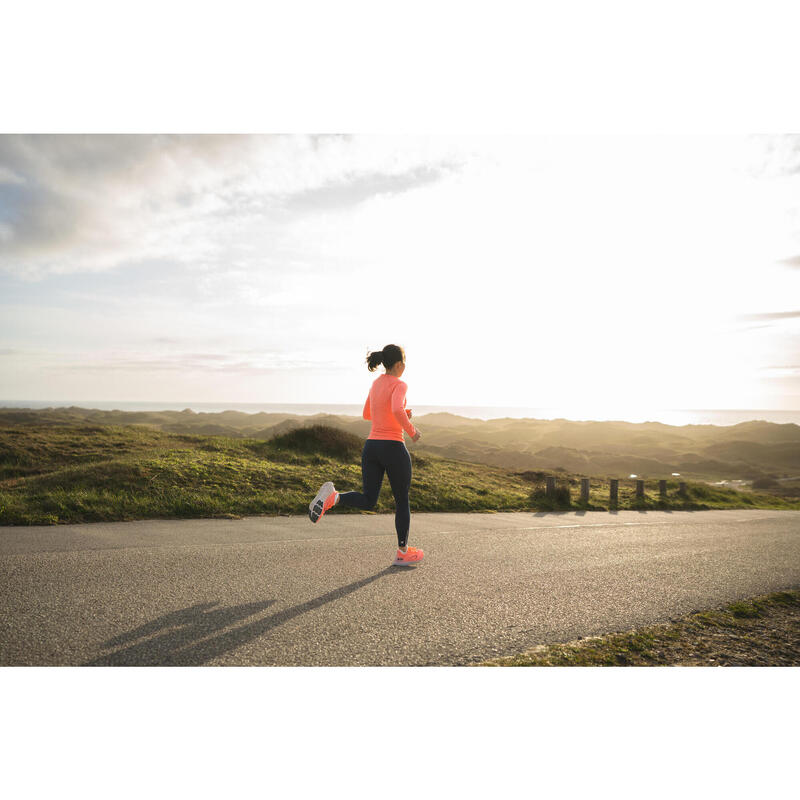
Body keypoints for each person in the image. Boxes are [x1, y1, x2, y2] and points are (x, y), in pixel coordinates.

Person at [308, 344, 424, 567]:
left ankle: (334, 497)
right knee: (402, 501)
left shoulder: (376, 383)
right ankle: (402, 552)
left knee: (369, 499)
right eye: (405, 362)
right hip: (393, 448)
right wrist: (412, 430)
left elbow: (367, 414)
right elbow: (397, 410)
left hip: (371, 447)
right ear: (399, 364)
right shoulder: (400, 384)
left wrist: (398, 414)